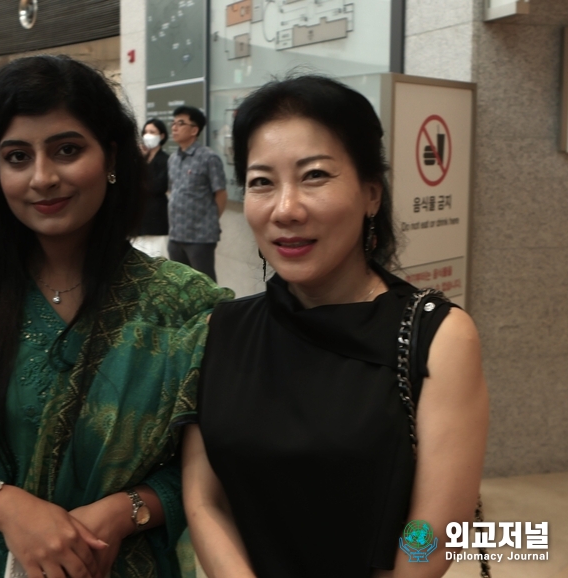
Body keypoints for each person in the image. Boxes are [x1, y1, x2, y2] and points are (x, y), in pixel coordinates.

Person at [0, 55, 232, 578]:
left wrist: (127, 510)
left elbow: (219, 470)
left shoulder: (184, 308)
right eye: (17, 157)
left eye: (67, 150)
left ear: (112, 155)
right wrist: (2, 507)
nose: (43, 177)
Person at [182, 76, 489, 577]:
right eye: (262, 182)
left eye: (315, 175)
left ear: (371, 192)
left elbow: (433, 535)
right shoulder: (222, 329)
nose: (286, 208)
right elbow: (204, 500)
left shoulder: (439, 336)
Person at [167, 105, 227, 282]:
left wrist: (208, 221)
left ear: (194, 130)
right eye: (173, 123)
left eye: (180, 123)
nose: (174, 127)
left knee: (204, 285)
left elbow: (221, 194)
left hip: (200, 237)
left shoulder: (208, 157)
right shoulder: (173, 158)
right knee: (179, 284)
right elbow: (173, 190)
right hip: (176, 235)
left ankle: (215, 311)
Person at [132, 118, 169, 258]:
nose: (148, 135)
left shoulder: (165, 160)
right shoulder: (140, 160)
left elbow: (158, 186)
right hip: (137, 223)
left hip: (155, 221)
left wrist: (140, 183)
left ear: (162, 136)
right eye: (146, 132)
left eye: (152, 132)